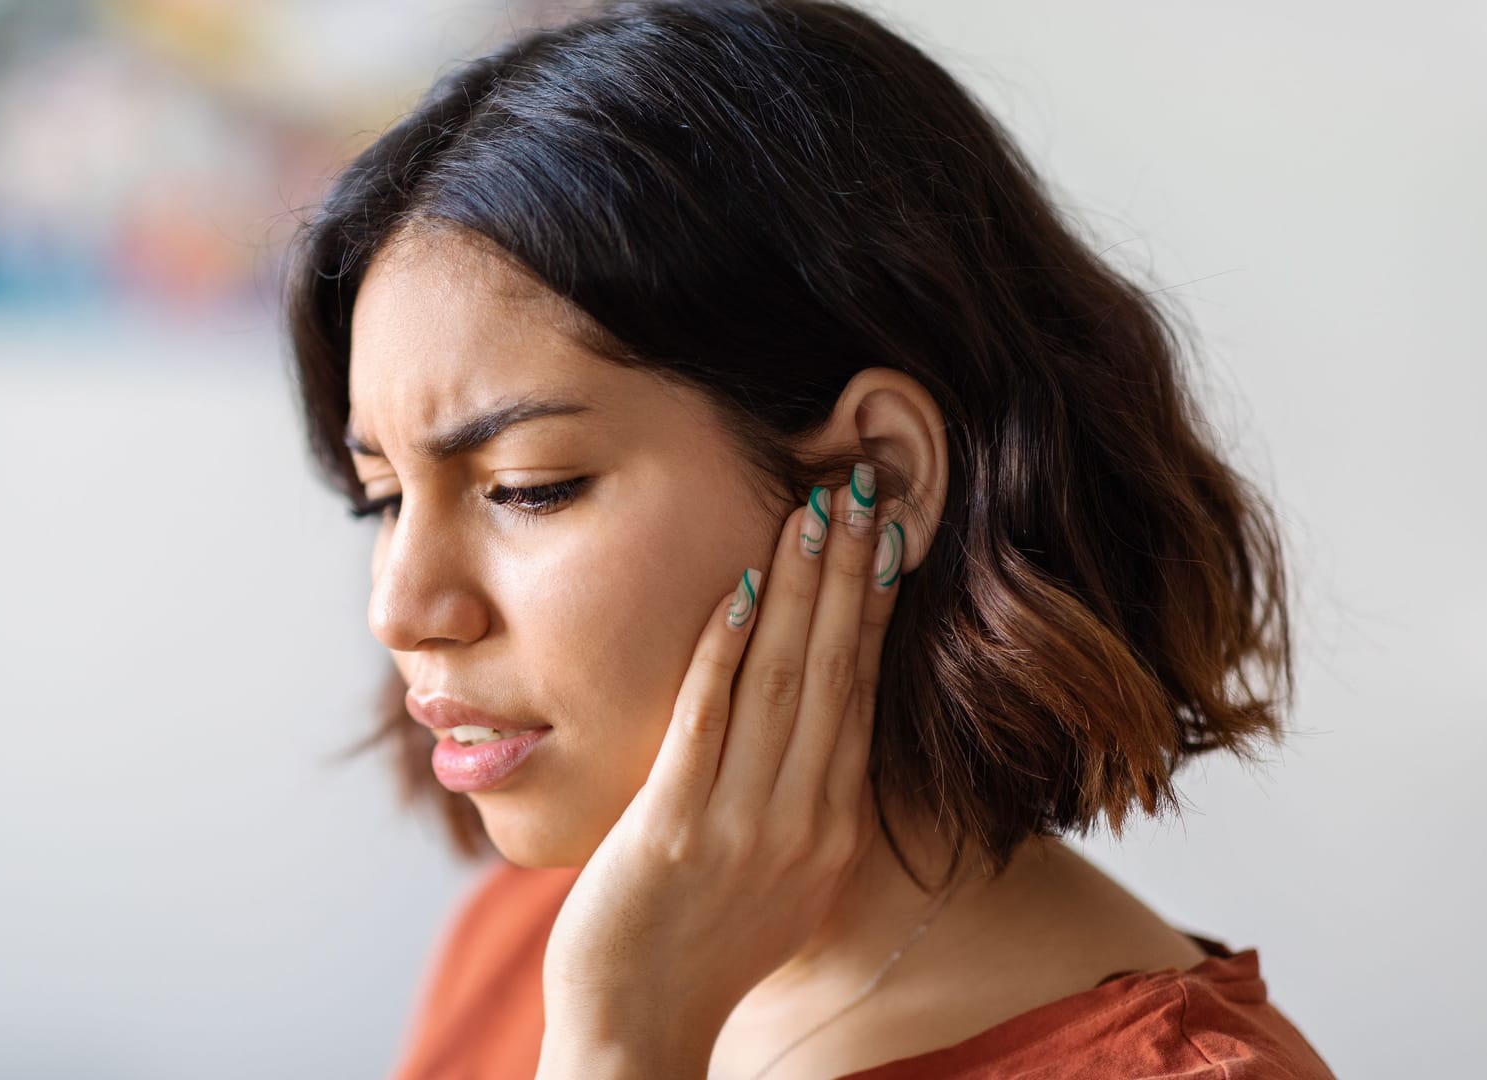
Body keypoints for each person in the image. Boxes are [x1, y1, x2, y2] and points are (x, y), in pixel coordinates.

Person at [282, 1, 1337, 1076]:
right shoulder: (547, 943)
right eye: (383, 500)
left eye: (527, 488)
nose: (400, 609)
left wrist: (620, 1048)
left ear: (875, 476)